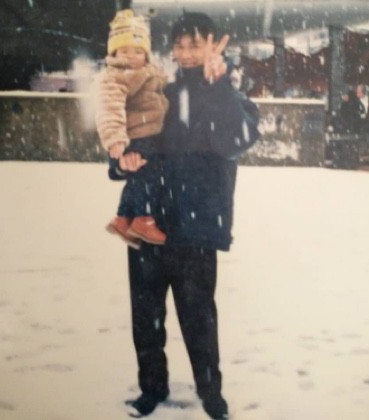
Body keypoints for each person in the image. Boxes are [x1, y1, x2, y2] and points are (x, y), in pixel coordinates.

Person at [110, 12, 259, 419]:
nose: (187, 53)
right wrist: (122, 161)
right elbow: (125, 141)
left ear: (214, 44)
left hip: (196, 228)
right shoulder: (158, 92)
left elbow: (236, 140)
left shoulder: (229, 96)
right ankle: (152, 388)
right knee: (146, 317)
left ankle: (211, 394)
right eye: (180, 45)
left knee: (199, 319)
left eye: (196, 44)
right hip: (148, 223)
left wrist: (219, 87)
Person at [95, 9, 168, 248]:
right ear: (114, 53)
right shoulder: (116, 76)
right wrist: (115, 138)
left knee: (138, 178)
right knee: (150, 174)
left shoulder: (148, 71)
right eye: (125, 51)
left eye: (138, 51)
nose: (132, 57)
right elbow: (109, 107)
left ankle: (123, 217)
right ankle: (143, 218)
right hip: (137, 135)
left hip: (147, 133)